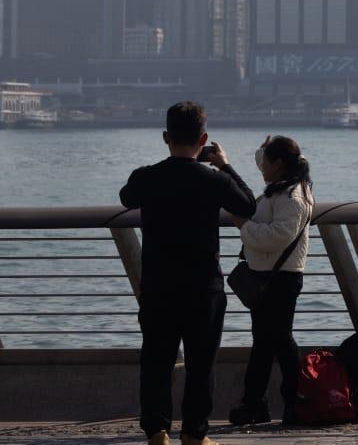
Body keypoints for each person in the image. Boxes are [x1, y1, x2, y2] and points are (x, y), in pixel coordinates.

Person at [119, 101, 257, 445]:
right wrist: (225, 166)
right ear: (204, 138)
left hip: (158, 285)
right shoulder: (213, 180)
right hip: (203, 286)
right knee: (200, 363)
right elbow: (248, 205)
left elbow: (126, 197)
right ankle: (194, 433)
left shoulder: (147, 177)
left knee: (156, 360)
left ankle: (156, 431)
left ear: (166, 136)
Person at [228, 135, 314, 427]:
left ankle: (294, 399)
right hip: (266, 275)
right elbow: (264, 163)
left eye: (265, 160)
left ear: (278, 164)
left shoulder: (293, 197)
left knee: (278, 339)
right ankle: (257, 403)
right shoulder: (284, 184)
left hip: (282, 278)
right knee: (265, 341)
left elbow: (277, 238)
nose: (260, 165)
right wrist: (260, 149)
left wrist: (244, 226)